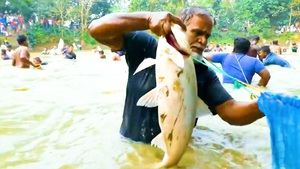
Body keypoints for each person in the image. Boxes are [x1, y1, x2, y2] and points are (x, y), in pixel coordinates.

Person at [88, 6, 266, 143]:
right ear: (177, 27)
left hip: (177, 150)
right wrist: (147, 19)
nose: (203, 41)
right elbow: (96, 29)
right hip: (131, 146)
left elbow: (231, 111)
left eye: (207, 36)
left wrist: (266, 105)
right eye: (197, 33)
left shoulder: (203, 73)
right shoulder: (147, 47)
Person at [205, 37, 270, 87]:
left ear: (234, 48)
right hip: (244, 91)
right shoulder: (254, 61)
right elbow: (267, 76)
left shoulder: (224, 57)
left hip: (226, 92)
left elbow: (204, 57)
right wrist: (258, 86)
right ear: (248, 49)